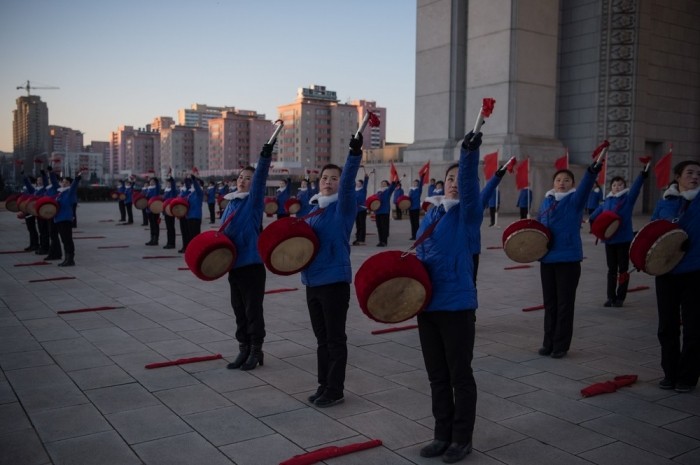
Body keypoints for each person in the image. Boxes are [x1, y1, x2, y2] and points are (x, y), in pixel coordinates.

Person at [416, 131, 481, 464]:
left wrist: (468, 154)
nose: (455, 183)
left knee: (459, 375)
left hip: (456, 306)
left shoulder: (468, 216)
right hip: (427, 306)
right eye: (450, 178)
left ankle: (461, 438)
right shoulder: (432, 214)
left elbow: (470, 189)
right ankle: (442, 434)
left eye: (459, 178)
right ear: (441, 184)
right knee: (437, 376)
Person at [303, 133, 362, 408]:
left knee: (335, 338)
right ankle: (323, 384)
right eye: (325, 178)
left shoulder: (343, 207)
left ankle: (335, 389)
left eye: (333, 178)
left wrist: (353, 153)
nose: (328, 182)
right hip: (312, 282)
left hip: (335, 282)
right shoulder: (312, 210)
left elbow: (349, 182)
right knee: (321, 339)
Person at [537, 156, 602, 359]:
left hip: (568, 260)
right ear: (553, 184)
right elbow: (539, 228)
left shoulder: (575, 200)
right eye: (558, 180)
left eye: (566, 180)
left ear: (572, 184)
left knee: (565, 304)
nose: (562, 183)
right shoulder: (546, 202)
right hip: (547, 259)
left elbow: (586, 186)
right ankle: (548, 342)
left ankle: (560, 345)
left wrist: (593, 170)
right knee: (550, 304)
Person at [221, 142, 274, 371]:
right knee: (239, 310)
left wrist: (264, 156)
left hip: (252, 266)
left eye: (248, 178)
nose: (243, 180)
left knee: (253, 311)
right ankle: (243, 348)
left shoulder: (253, 203)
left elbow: (261, 178)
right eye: (241, 177)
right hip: (234, 266)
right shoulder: (231, 202)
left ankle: (256, 350)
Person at [650, 160, 700, 393]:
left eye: (699, 174)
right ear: (678, 177)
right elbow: (651, 234)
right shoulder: (665, 203)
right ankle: (669, 373)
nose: (695, 177)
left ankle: (687, 376)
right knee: (667, 326)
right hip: (666, 271)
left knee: (693, 327)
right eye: (690, 173)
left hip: (694, 272)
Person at [589, 171, 647, 307]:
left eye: (620, 185)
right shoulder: (606, 202)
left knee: (623, 269)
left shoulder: (628, 200)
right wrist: (594, 228)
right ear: (611, 188)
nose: (617, 187)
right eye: (614, 185)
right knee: (611, 270)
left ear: (624, 186)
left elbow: (636, 189)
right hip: (609, 240)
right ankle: (610, 297)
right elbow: (593, 217)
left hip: (623, 240)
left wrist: (641, 176)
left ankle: (620, 297)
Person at [54, 170, 84, 266]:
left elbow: (74, 186)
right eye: (63, 182)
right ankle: (67, 258)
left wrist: (77, 178)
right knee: (64, 240)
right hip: (58, 219)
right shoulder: (59, 193)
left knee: (67, 240)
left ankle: (70, 259)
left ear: (69, 184)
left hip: (66, 219)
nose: (64, 183)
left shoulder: (69, 192)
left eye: (66, 182)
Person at [373, 179, 398, 247]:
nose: (383, 184)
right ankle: (380, 241)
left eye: (384, 183)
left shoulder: (387, 190)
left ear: (387, 184)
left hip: (384, 211)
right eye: (382, 183)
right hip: (378, 211)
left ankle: (384, 241)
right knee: (379, 227)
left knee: (384, 227)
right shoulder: (378, 192)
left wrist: (393, 182)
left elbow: (392, 187)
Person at [183, 174, 204, 251]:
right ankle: (192, 249)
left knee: (195, 235)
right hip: (189, 216)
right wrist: (186, 179)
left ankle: (197, 249)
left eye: (197, 183)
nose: (193, 185)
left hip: (196, 216)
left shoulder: (199, 193)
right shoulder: (191, 194)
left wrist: (194, 179)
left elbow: (196, 187)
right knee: (190, 235)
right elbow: (188, 186)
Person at [352, 167, 370, 245]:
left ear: (362, 184)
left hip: (362, 209)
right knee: (358, 225)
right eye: (357, 183)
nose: (357, 183)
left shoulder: (363, 189)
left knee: (362, 224)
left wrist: (366, 177)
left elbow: (366, 182)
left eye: (359, 183)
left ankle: (362, 240)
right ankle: (358, 239)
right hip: (356, 209)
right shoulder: (354, 190)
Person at [408, 174, 426, 240]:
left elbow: (421, 184)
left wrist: (422, 177)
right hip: (410, 208)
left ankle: (417, 235)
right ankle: (413, 235)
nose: (415, 184)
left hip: (416, 208)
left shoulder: (419, 190)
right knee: (412, 223)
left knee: (416, 222)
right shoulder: (411, 190)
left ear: (418, 184)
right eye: (414, 182)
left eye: (416, 183)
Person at [162, 174, 177, 249]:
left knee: (171, 227)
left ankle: (172, 243)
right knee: (168, 228)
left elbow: (173, 186)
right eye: (167, 183)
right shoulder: (166, 191)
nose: (168, 184)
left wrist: (172, 179)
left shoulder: (173, 191)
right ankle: (169, 242)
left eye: (169, 183)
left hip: (170, 211)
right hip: (165, 211)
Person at [144, 176, 161, 246]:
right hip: (149, 209)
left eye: (153, 181)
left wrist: (155, 179)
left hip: (155, 208)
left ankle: (156, 240)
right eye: (150, 181)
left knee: (155, 224)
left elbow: (157, 185)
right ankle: (152, 239)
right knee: (151, 225)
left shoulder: (156, 188)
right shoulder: (149, 189)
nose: (151, 182)